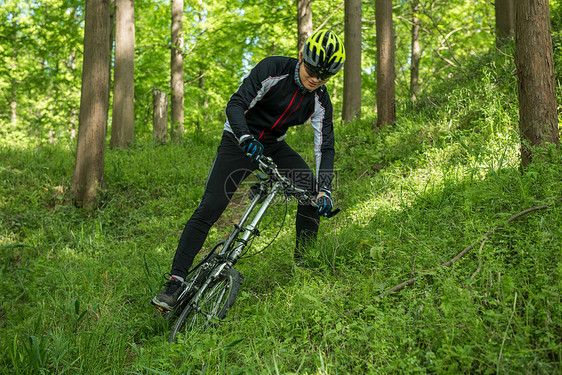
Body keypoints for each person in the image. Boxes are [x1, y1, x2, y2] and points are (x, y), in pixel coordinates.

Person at [152, 29, 346, 311]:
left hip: (273, 144)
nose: (316, 79)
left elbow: (325, 147)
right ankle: (175, 283)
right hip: (238, 138)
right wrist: (244, 136)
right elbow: (236, 104)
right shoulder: (273, 69)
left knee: (312, 193)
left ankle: (305, 264)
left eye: (324, 76)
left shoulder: (319, 100)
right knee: (211, 206)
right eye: (313, 69)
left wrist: (325, 190)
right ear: (303, 57)